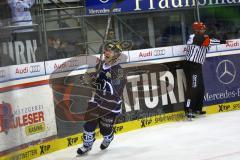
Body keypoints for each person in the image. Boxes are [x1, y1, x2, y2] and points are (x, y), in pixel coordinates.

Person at [77, 41, 127, 155]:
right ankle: (87, 145)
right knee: (89, 125)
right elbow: (93, 76)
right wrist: (87, 78)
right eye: (105, 50)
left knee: (105, 130)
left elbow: (115, 91)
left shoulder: (118, 70)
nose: (106, 52)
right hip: (97, 100)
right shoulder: (100, 65)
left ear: (116, 54)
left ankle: (109, 137)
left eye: (109, 51)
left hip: (110, 104)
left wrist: (97, 83)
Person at [184, 21, 226, 119]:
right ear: (196, 30)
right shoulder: (195, 37)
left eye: (204, 28)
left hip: (197, 65)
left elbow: (208, 40)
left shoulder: (201, 37)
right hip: (191, 65)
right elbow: (208, 42)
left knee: (201, 87)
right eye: (202, 28)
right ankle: (189, 110)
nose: (204, 30)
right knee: (193, 87)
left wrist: (212, 38)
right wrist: (224, 41)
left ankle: (197, 108)